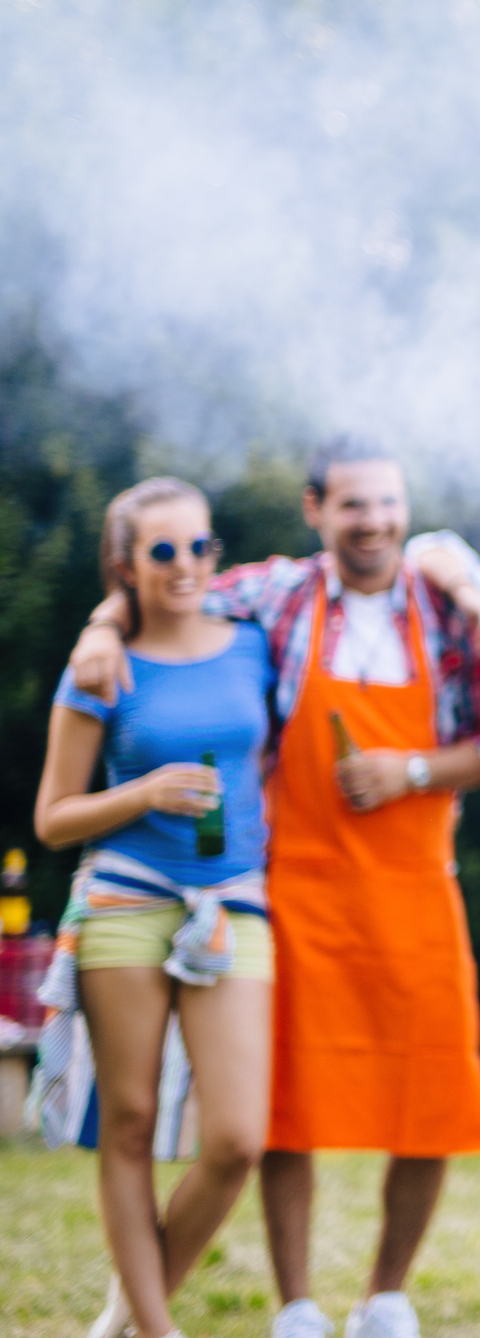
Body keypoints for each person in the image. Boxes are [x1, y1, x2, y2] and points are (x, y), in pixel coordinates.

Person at [68, 437, 480, 1338]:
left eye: (388, 503)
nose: (375, 522)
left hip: (416, 886)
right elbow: (166, 591)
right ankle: (298, 1302)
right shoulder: (274, 595)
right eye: (353, 505)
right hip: (294, 885)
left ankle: (386, 1294)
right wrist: (99, 628)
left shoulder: (445, 610)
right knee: (289, 1104)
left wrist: (415, 772)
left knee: (431, 1094)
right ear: (316, 511)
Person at [32, 479, 278, 1338]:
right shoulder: (101, 664)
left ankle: (130, 1312)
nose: (185, 566)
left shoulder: (254, 647)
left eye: (199, 547)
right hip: (125, 903)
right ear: (127, 565)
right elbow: (54, 817)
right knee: (130, 1125)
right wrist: (143, 793)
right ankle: (155, 1328)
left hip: (233, 905)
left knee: (238, 1139)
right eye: (162, 551)